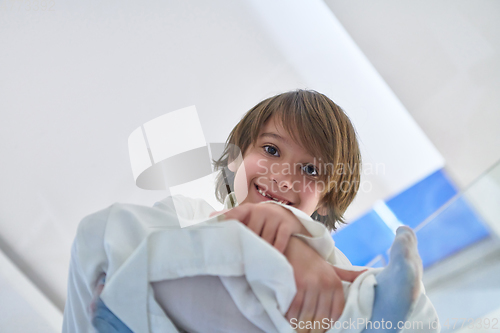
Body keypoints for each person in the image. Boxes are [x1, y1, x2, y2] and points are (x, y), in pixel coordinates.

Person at [63, 90, 440, 332]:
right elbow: (100, 239)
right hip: (133, 317)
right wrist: (271, 240)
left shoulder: (331, 264)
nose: (283, 176)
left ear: (326, 198)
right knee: (107, 233)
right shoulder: (185, 213)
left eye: (310, 170)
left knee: (372, 297)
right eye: (272, 151)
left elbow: (423, 320)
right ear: (235, 158)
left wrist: (298, 242)